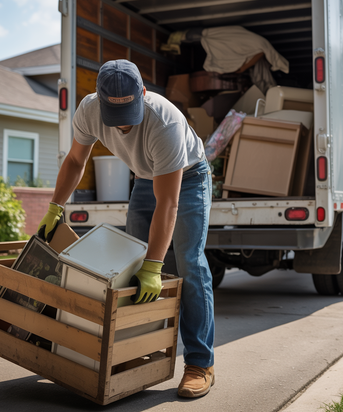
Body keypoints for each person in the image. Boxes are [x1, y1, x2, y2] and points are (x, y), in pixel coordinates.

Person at [38, 60, 215, 398]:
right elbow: (76, 160)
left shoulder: (165, 121)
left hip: (187, 179)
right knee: (129, 266)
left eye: (128, 116)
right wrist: (55, 207)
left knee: (187, 263)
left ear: (143, 94)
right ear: (99, 101)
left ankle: (199, 363)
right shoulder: (89, 111)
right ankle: (134, 355)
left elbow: (169, 203)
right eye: (114, 117)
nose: (121, 128)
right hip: (146, 178)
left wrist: (154, 265)